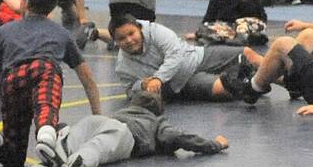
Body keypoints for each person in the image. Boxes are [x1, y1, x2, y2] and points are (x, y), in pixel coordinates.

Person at [0, 0, 103, 167]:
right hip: (44, 71)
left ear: (25, 2)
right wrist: (98, 117)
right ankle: (46, 136)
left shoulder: (5, 30)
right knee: (46, 103)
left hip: (12, 79)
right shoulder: (61, 33)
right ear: (53, 6)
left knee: (14, 157)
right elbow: (87, 79)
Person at [36, 87, 228, 167]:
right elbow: (177, 137)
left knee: (77, 135)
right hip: (126, 133)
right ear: (157, 111)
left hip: (99, 120)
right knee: (98, 146)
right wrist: (215, 144)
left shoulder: (124, 111)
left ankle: (53, 158)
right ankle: (77, 163)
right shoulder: (155, 121)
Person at [106, 13, 252, 102]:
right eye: (121, 38)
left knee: (247, 53)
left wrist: (158, 78)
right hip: (180, 83)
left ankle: (262, 76)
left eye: (131, 34)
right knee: (222, 89)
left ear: (139, 28)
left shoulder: (156, 31)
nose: (129, 40)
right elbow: (130, 91)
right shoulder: (122, 67)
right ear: (115, 41)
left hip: (195, 56)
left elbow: (175, 55)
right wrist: (142, 85)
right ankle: (251, 84)